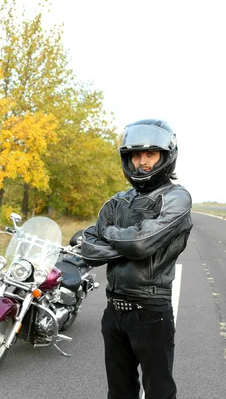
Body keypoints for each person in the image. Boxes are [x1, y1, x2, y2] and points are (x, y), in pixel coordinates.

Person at [80, 119, 192, 399]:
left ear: (165, 156)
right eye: (136, 155)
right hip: (113, 312)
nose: (142, 162)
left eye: (150, 154)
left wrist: (111, 235)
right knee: (119, 392)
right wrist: (127, 242)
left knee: (159, 392)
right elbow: (87, 247)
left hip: (151, 311)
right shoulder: (117, 201)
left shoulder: (176, 198)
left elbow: (141, 244)